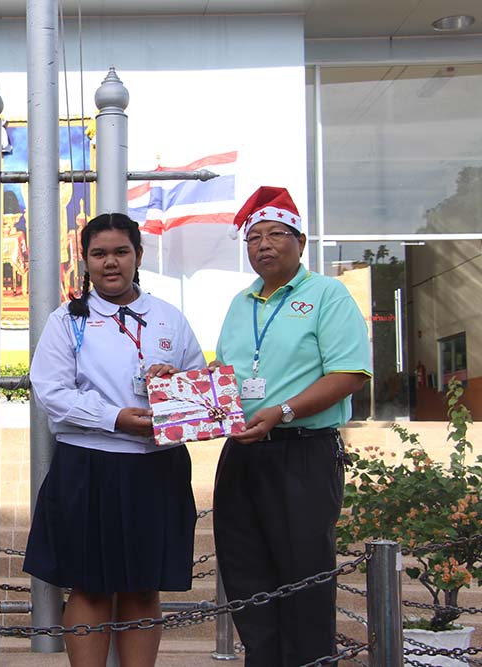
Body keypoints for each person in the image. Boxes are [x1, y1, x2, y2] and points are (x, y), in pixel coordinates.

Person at [24, 212, 205, 667]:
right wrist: (115, 418)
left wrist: (174, 383)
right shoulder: (67, 321)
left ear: (138, 255)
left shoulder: (168, 318)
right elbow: (51, 392)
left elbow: (200, 388)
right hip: (89, 465)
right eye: (99, 253)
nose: (111, 262)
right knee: (89, 585)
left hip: (157, 467)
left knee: (144, 586)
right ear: (84, 260)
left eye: (121, 252)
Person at [210, 186, 371, 667]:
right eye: (253, 237)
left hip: (302, 451)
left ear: (300, 242)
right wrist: (182, 385)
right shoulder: (240, 303)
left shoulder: (327, 294)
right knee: (245, 576)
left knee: (304, 578)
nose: (263, 245)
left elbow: (349, 374)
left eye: (276, 234)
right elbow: (228, 372)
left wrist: (282, 411)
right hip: (243, 453)